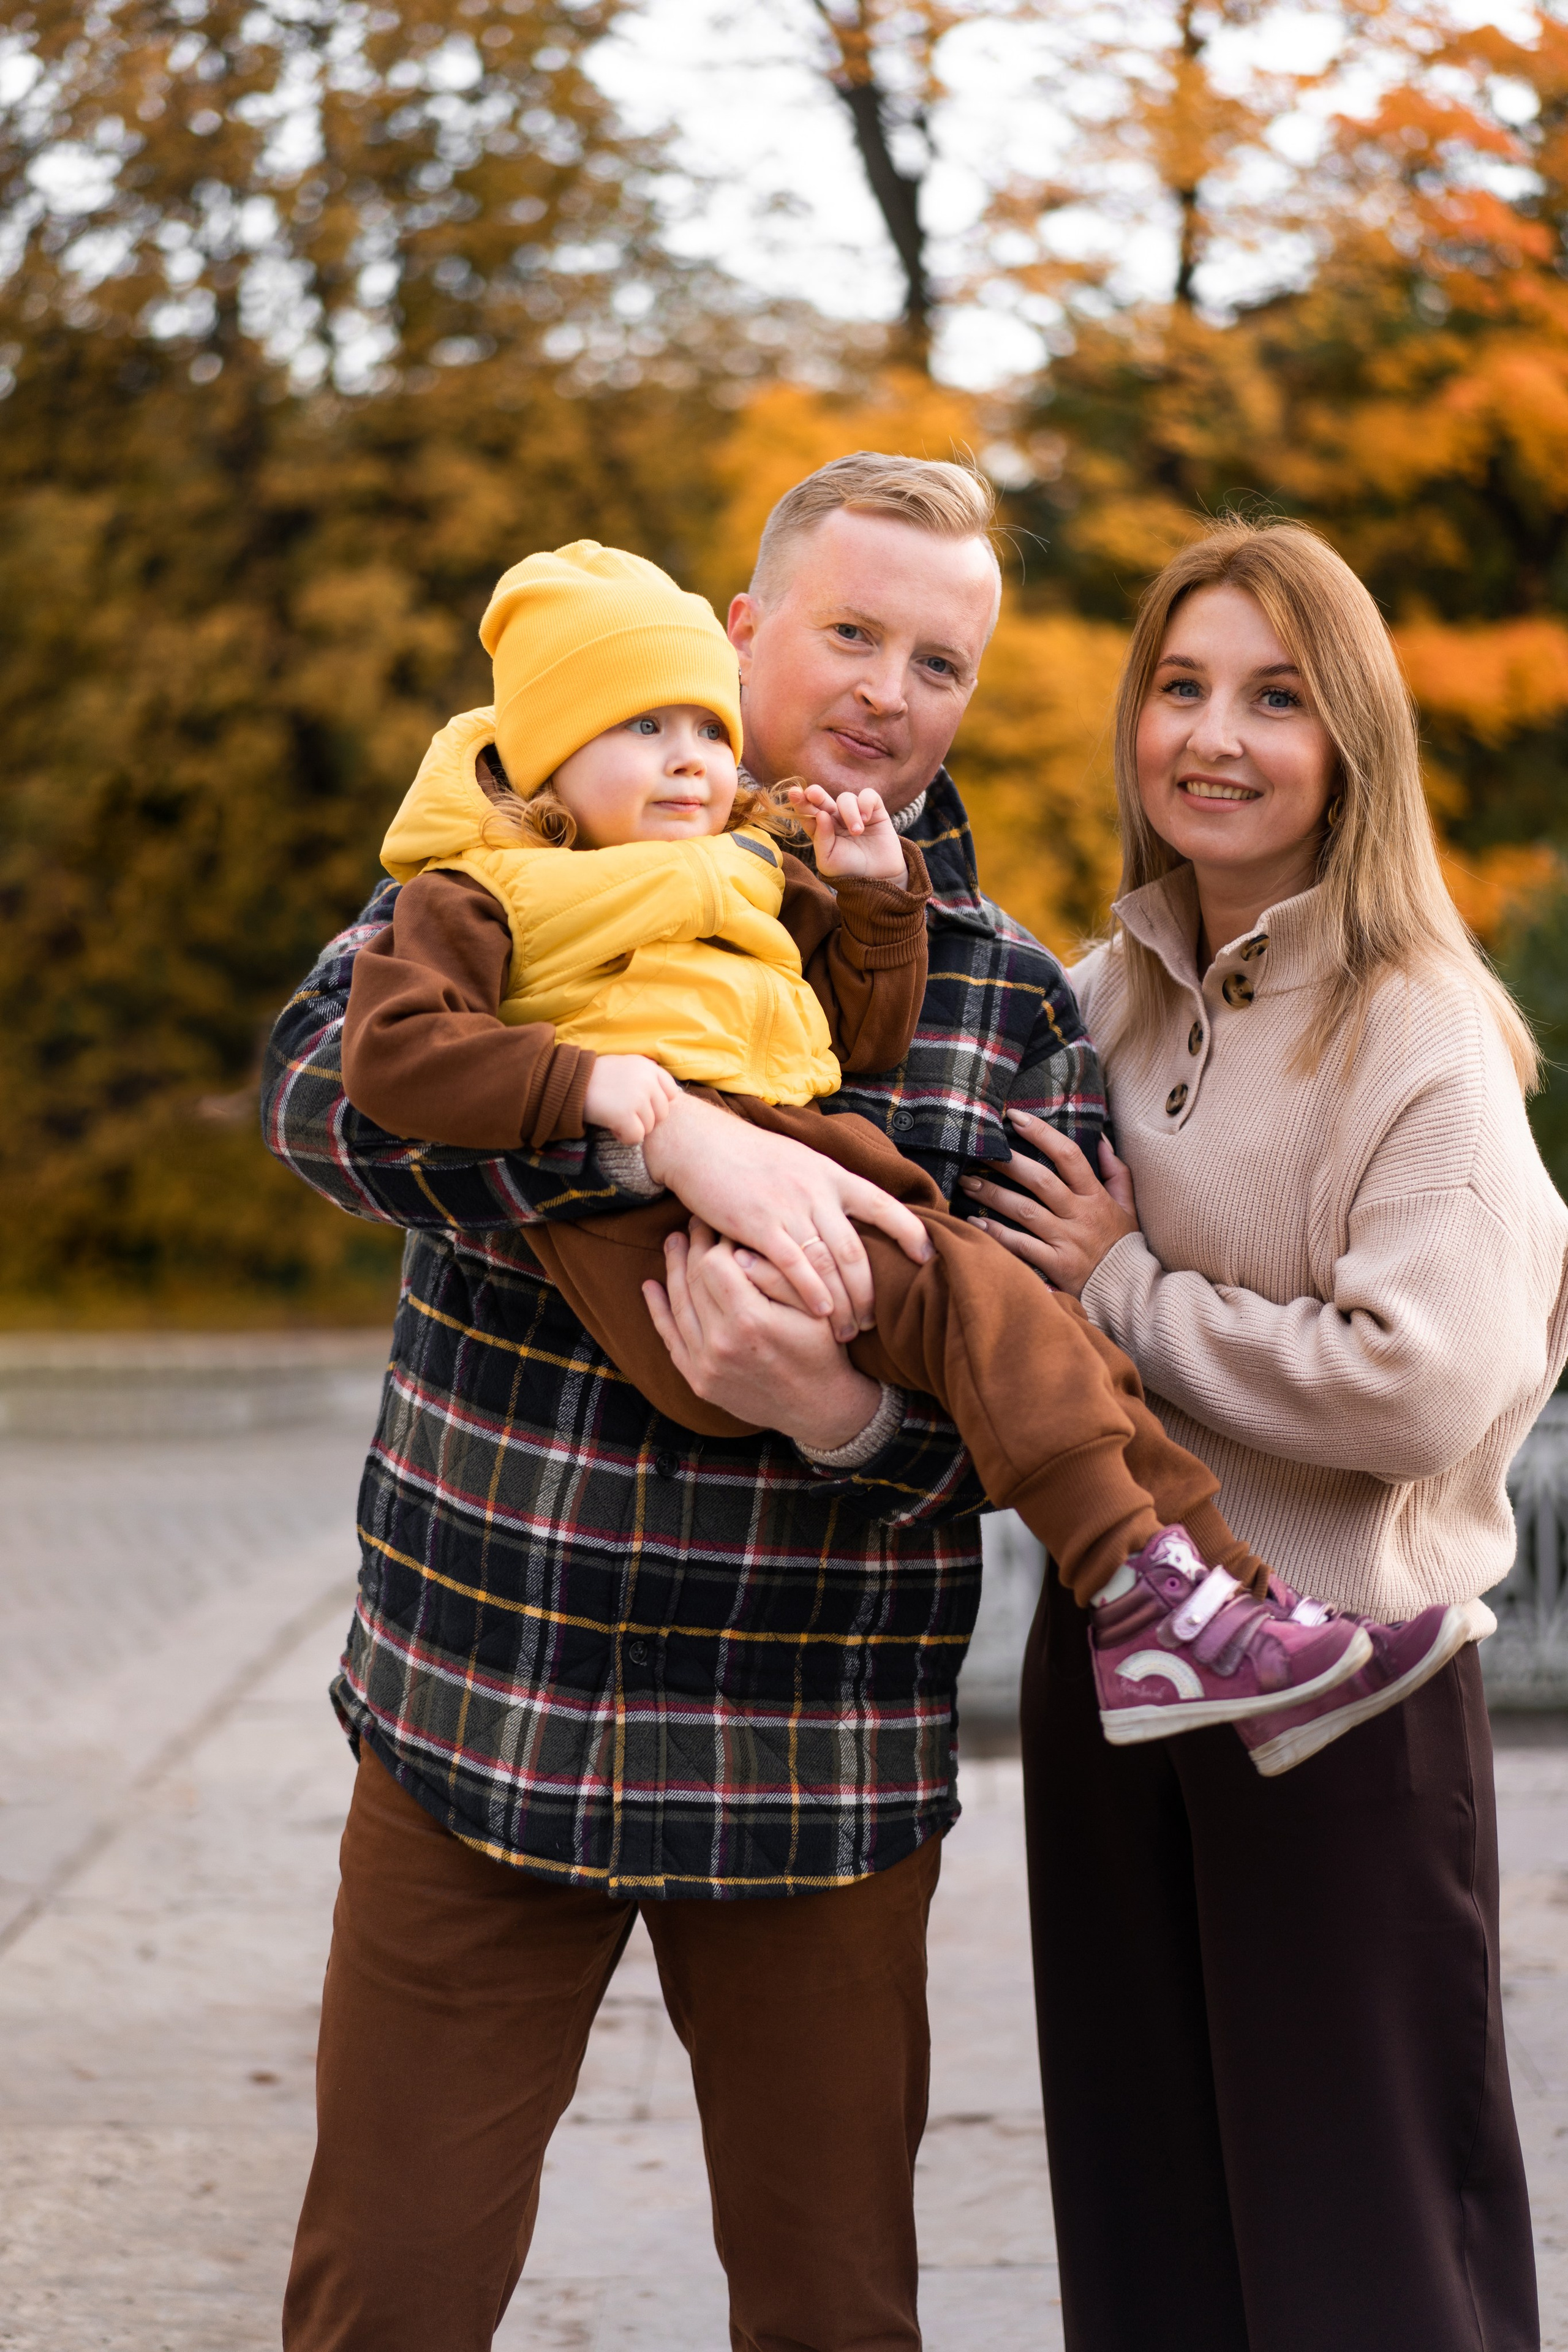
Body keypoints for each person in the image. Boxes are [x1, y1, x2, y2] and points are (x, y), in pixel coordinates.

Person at [263, 452, 1105, 2352]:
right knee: (381, 2302)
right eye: (853, 633)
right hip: (486, 1707)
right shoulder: (514, 868)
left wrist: (836, 1416)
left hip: (812, 1761)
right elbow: (324, 1095)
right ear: (743, 634)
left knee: (832, 2314)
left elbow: (1030, 1383)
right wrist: (661, 1134)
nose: (892, 689)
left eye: (943, 662)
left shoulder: (1007, 1000)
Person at [341, 536, 1412, 1732]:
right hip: (544, 1544)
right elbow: (359, 1072)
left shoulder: (815, 902)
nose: (687, 760)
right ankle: (1150, 1604)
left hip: (818, 1699)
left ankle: (1231, 1610)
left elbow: (856, 1033)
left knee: (1054, 1342)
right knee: (1007, 1318)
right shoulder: (478, 886)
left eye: (939, 662)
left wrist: (869, 897)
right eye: (642, 730)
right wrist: (621, 1111)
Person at [959, 516, 1567, 2351]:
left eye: (1277, 698)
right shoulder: (1101, 995)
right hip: (1119, 1669)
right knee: (1144, 2221)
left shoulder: (1421, 1030)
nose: (1214, 735)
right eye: (1182, 687)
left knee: (1363, 2246)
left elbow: (1425, 1386)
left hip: (1349, 1700)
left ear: (1351, 744)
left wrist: (1131, 1288)